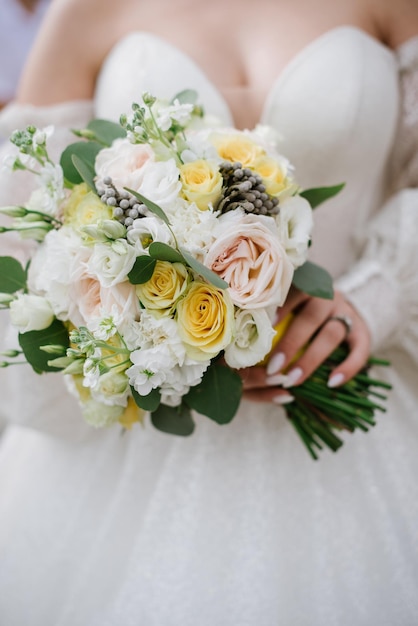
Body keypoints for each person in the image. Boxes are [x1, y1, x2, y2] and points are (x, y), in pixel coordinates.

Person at [0, 0, 417, 623]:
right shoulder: (80, 13)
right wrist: (150, 340)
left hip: (357, 393)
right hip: (140, 449)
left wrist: (378, 294)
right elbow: (21, 243)